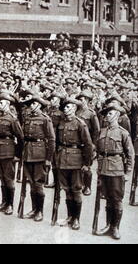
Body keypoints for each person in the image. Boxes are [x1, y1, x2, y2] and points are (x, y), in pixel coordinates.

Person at [94, 103, 134, 240]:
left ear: (117, 115)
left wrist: (128, 173)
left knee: (116, 199)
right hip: (104, 169)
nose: (107, 116)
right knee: (108, 199)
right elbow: (98, 150)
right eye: (106, 114)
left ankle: (115, 227)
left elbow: (130, 154)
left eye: (110, 114)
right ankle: (107, 225)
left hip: (117, 170)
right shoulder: (102, 131)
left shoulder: (123, 132)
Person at [55, 97, 93, 230]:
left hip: (76, 160)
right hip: (62, 159)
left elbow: (88, 145)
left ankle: (77, 218)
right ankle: (70, 216)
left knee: (76, 189)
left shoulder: (80, 124)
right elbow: (56, 142)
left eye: (69, 107)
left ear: (75, 109)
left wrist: (87, 163)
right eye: (65, 107)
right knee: (66, 189)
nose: (66, 109)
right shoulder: (60, 123)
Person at [21, 94, 55, 222]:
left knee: (38, 183)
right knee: (31, 183)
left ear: (39, 105)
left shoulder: (45, 119)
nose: (31, 107)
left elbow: (51, 140)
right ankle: (34, 209)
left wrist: (48, 158)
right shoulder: (28, 118)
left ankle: (39, 211)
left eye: (34, 104)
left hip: (39, 154)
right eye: (30, 104)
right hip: (28, 153)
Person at [0, 90, 24, 215]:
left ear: (7, 104)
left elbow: (20, 138)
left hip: (8, 151)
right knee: (3, 179)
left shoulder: (12, 119)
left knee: (9, 179)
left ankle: (10, 204)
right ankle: (4, 202)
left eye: (1, 103)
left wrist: (17, 155)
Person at [76, 90, 100, 196]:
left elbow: (96, 130)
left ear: (86, 100)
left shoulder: (91, 113)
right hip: (77, 142)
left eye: (81, 99)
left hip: (88, 143)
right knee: (77, 164)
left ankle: (87, 187)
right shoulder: (76, 112)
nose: (80, 101)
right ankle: (79, 184)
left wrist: (93, 145)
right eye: (79, 99)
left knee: (87, 166)